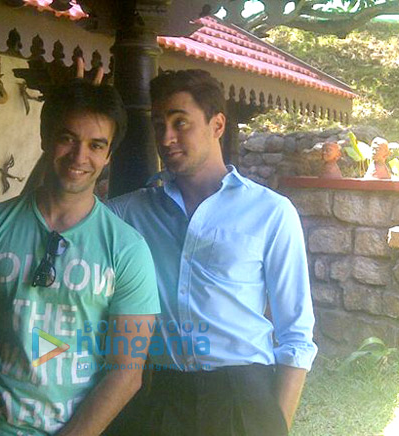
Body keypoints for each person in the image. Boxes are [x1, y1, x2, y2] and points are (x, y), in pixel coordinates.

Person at [0, 81, 161, 436]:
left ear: (108, 156)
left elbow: (126, 371)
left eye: (96, 145)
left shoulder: (128, 250)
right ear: (45, 138)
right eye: (67, 138)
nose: (79, 156)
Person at [107, 69, 317, 436]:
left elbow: (295, 334)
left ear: (217, 125)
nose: (166, 138)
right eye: (158, 125)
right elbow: (64, 211)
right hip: (160, 395)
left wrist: (273, 426)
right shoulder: (130, 212)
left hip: (242, 397)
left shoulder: (270, 212)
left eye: (180, 123)